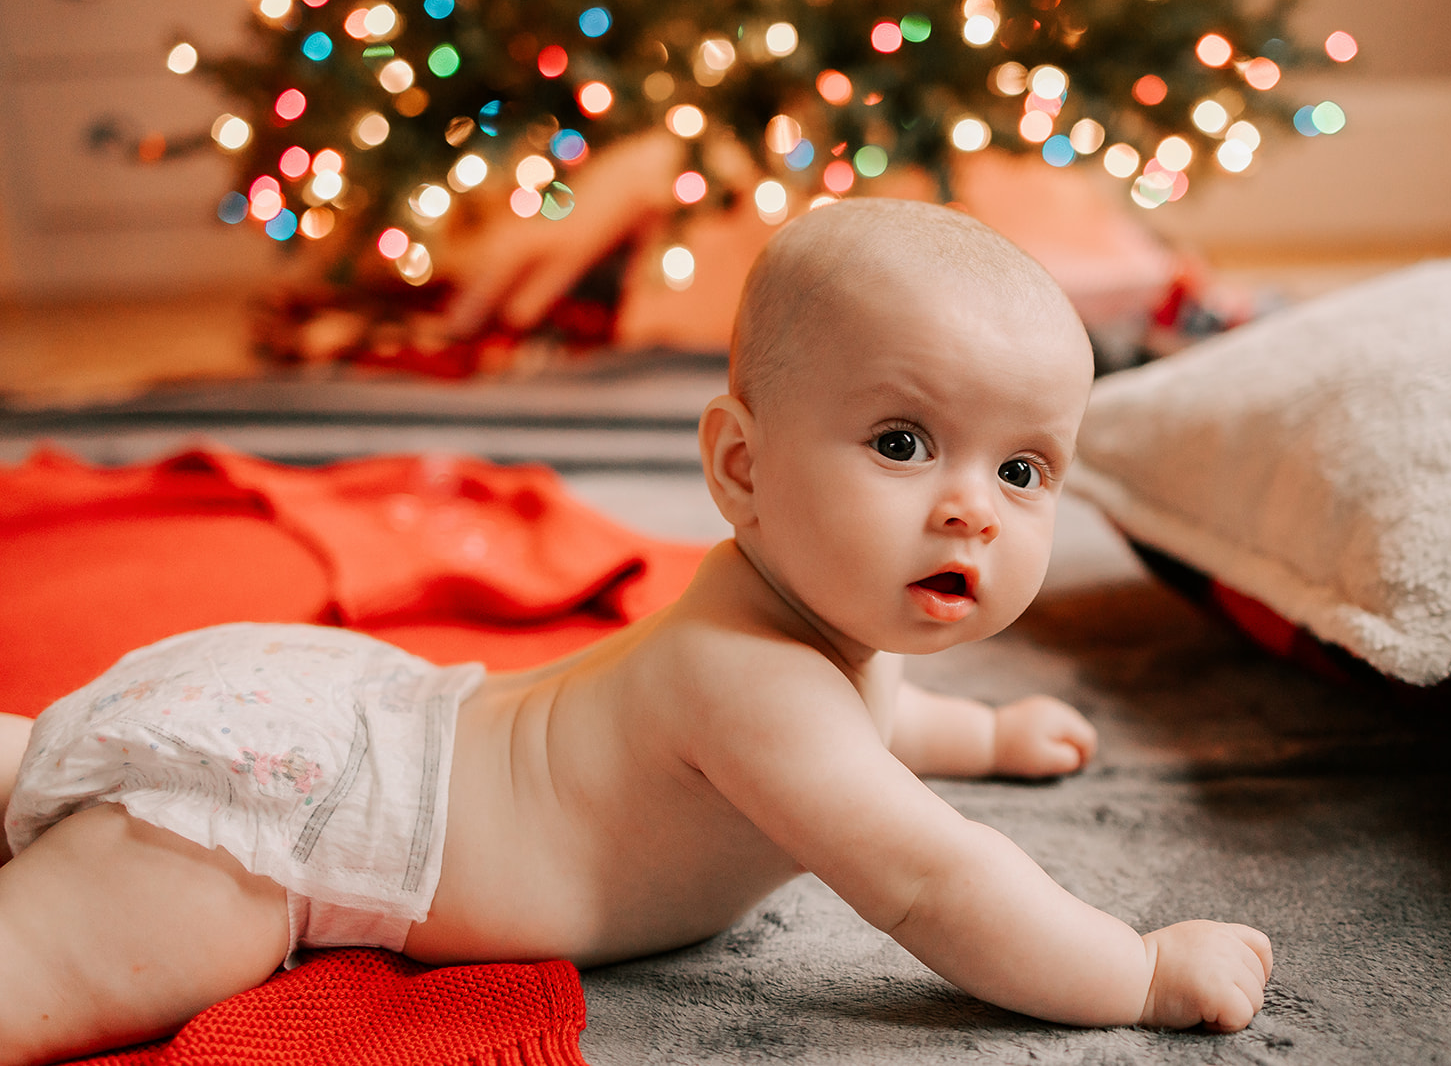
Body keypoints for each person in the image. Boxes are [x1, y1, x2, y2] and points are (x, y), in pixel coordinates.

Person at [0, 198, 1271, 1064]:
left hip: (344, 707)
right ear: (740, 464)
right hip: (319, 824)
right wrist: (1135, 970)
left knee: (50, 761)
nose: (970, 510)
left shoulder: (787, 639)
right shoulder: (752, 688)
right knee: (78, 956)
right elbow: (939, 880)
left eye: (1024, 469)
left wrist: (979, 733)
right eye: (901, 442)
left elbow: (871, 718)